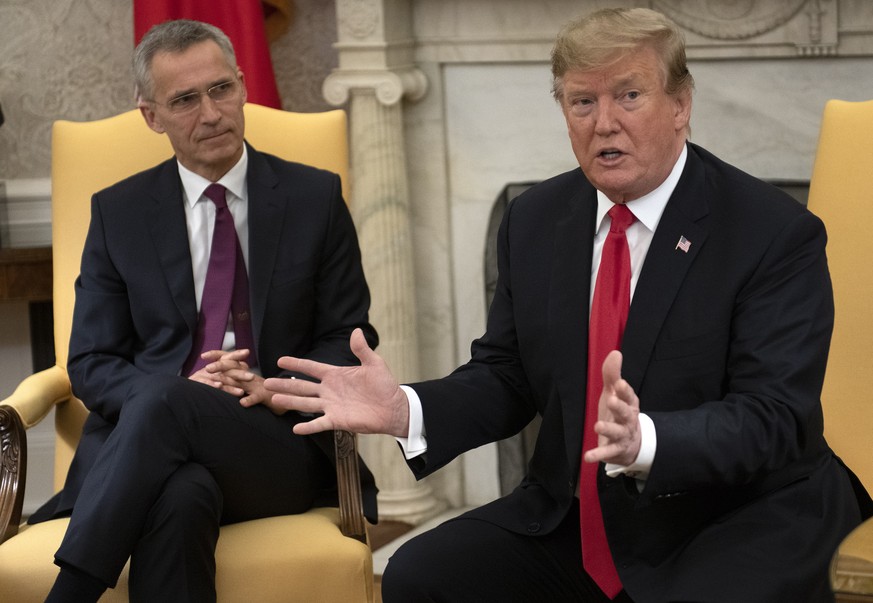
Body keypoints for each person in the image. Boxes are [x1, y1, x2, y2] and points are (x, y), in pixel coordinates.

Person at [264, 7, 872, 603]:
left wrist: (649, 440)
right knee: (422, 574)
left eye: (629, 96)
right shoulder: (536, 219)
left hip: (736, 515)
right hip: (579, 514)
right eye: (583, 102)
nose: (603, 123)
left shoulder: (771, 231)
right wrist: (408, 410)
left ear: (682, 105)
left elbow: (772, 417)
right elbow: (507, 375)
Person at [32, 19, 378, 602]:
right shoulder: (120, 213)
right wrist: (184, 388)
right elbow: (92, 360)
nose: (212, 113)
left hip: (275, 444)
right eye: (185, 100)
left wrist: (273, 385)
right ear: (152, 116)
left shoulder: (313, 197)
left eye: (221, 89)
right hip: (155, 451)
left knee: (165, 401)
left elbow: (348, 336)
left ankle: (69, 593)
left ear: (243, 86)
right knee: (180, 492)